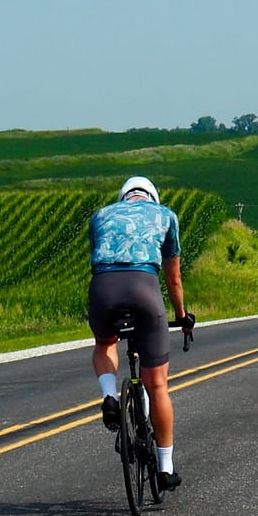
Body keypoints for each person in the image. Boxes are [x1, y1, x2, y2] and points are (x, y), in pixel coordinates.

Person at [88, 176, 193, 489]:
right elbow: (173, 280)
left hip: (103, 289)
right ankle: (165, 467)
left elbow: (98, 259)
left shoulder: (101, 215)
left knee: (105, 342)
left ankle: (108, 395)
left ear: (123, 198)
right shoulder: (166, 216)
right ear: (152, 197)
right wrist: (182, 316)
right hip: (144, 289)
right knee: (157, 384)